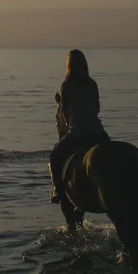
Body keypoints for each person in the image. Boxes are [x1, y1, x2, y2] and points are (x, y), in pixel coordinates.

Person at [49, 49, 108, 204]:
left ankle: (57, 190)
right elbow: (97, 107)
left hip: (78, 133)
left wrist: (71, 124)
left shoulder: (67, 85)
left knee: (54, 158)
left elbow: (65, 111)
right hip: (97, 132)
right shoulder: (92, 84)